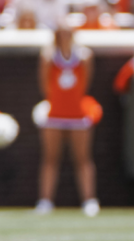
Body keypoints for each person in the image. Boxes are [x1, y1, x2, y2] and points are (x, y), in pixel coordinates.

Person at [36, 20, 101, 215]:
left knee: (83, 159)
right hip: (54, 114)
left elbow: (85, 83)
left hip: (78, 114)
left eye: (68, 33)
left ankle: (89, 201)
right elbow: (45, 85)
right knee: (50, 159)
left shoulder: (84, 56)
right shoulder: (47, 56)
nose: (64, 37)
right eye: (61, 33)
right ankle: (45, 201)